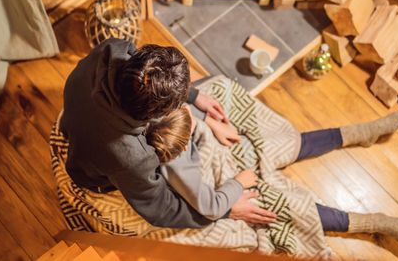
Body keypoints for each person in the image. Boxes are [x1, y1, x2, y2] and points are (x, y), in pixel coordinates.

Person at [60, 39, 276, 228]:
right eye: (178, 103)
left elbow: (147, 76)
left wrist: (192, 95)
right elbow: (162, 210)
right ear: (154, 117)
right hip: (90, 174)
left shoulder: (114, 49)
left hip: (76, 116)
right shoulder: (132, 157)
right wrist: (225, 212)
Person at [147, 106, 398, 241]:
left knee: (278, 144)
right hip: (221, 184)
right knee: (279, 207)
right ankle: (369, 222)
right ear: (182, 143)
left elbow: (185, 110)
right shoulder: (180, 166)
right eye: (191, 120)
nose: (191, 114)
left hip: (221, 151)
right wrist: (237, 184)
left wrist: (208, 121)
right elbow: (210, 205)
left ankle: (359, 133)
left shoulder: (163, 112)